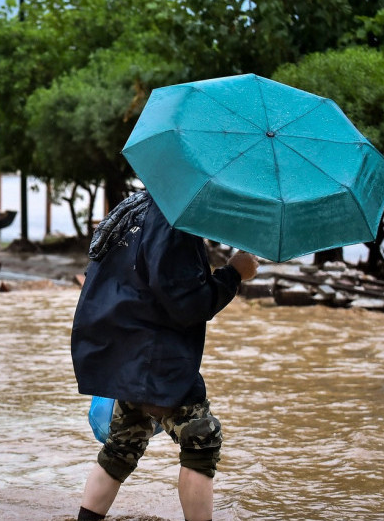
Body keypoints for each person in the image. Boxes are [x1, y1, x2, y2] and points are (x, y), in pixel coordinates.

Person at [70, 190, 258, 521]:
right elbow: (188, 304)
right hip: (155, 358)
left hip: (121, 349)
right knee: (201, 440)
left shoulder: (136, 206)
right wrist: (233, 274)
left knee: (123, 445)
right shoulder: (175, 221)